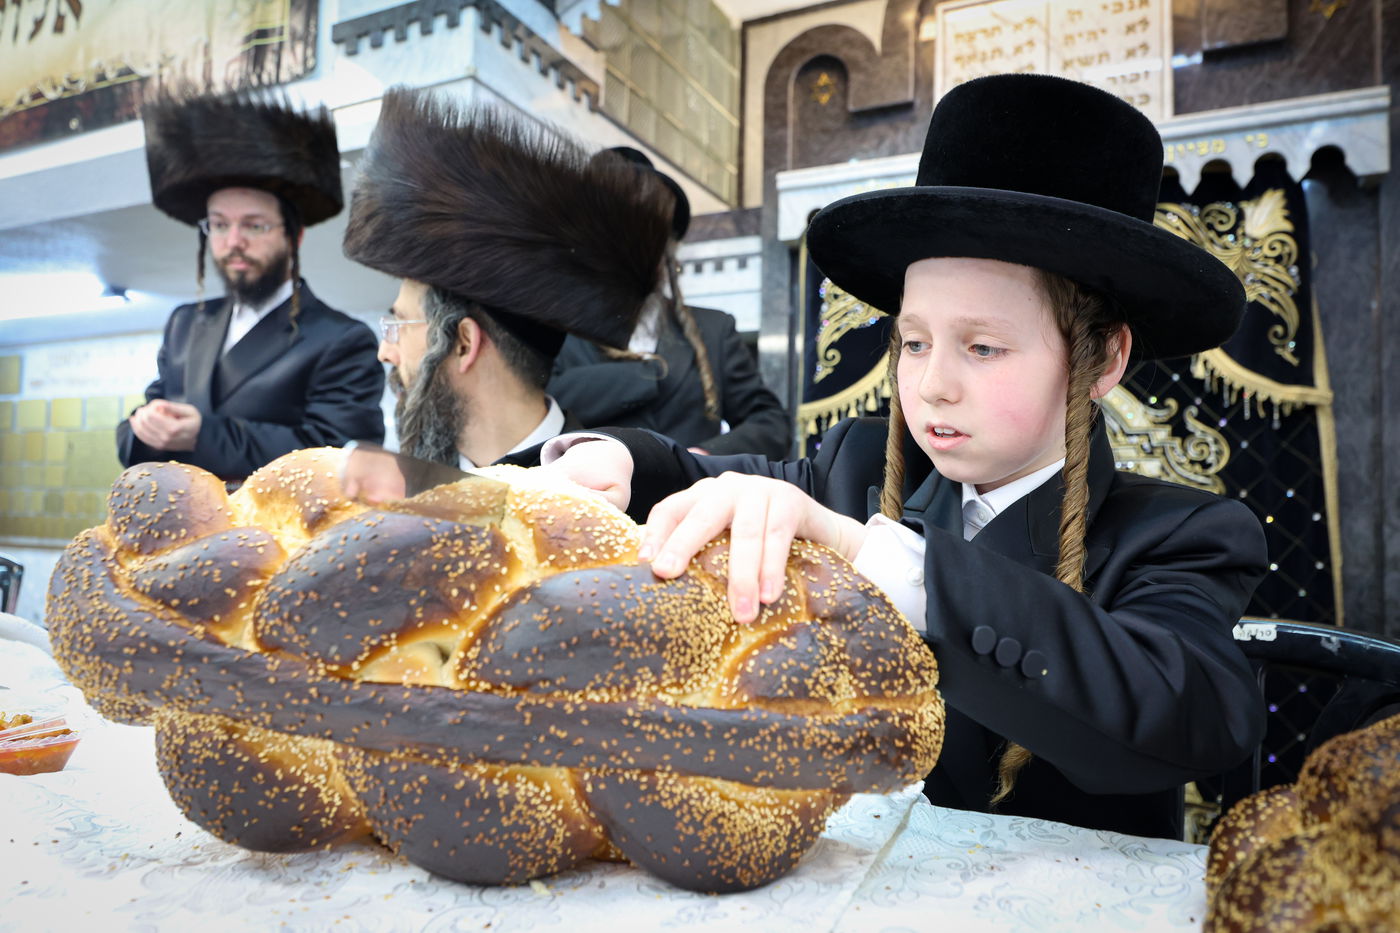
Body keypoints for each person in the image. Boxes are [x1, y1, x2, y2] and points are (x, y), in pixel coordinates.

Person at [541, 73, 1269, 840]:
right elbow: (702, 482)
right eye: (913, 342)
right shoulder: (857, 468)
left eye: (982, 347)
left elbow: (1192, 713)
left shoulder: (1185, 534)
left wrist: (880, 560)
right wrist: (618, 459)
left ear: (1102, 360)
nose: (931, 386)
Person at [341, 89, 673, 469]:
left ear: (464, 343)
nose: (386, 351)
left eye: (399, 324)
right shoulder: (393, 492)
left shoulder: (616, 503)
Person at [117, 88, 385, 482]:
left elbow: (338, 457)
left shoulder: (341, 340)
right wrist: (148, 429)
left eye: (254, 225)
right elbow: (148, 414)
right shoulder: (186, 324)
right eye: (220, 224)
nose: (233, 241)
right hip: (181, 523)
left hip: (276, 536)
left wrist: (201, 435)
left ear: (294, 237)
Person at [548, 148, 791, 458]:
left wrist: (700, 457)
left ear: (667, 247)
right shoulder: (552, 329)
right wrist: (648, 374)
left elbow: (771, 425)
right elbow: (542, 403)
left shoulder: (714, 330)